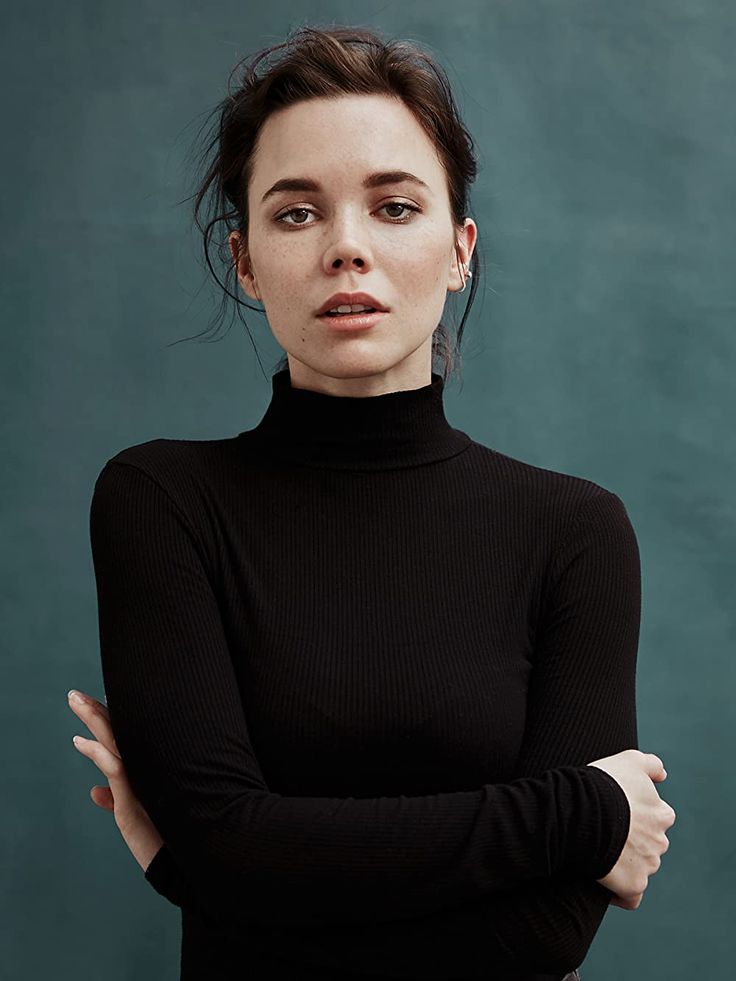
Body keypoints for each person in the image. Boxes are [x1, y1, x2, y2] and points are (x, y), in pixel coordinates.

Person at [68, 24, 676, 981]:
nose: (347, 247)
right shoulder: (162, 501)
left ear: (459, 249)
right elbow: (233, 853)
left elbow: (546, 939)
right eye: (297, 214)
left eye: (394, 206)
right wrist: (581, 812)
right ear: (247, 261)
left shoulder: (574, 531)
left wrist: (196, 867)